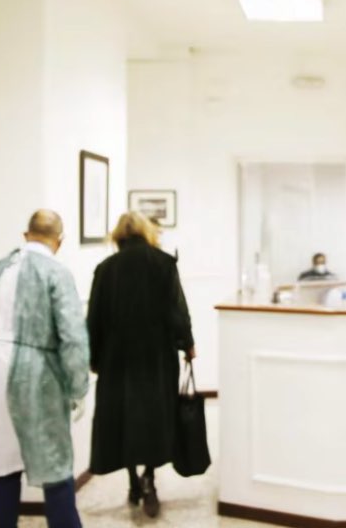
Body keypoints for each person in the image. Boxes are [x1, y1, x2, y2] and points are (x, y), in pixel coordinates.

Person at [0, 210, 89, 528]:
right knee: (55, 466)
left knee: (1, 466)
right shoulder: (56, 273)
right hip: (34, 377)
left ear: (26, 235)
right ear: (60, 241)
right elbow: (73, 338)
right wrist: (78, 386)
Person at [87, 212, 195, 518]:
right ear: (147, 233)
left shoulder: (105, 269)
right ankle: (149, 477)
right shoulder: (163, 263)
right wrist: (187, 344)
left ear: (117, 236)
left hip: (117, 357)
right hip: (156, 356)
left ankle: (133, 480)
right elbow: (177, 310)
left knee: (123, 417)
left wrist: (94, 358)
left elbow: (94, 318)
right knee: (154, 415)